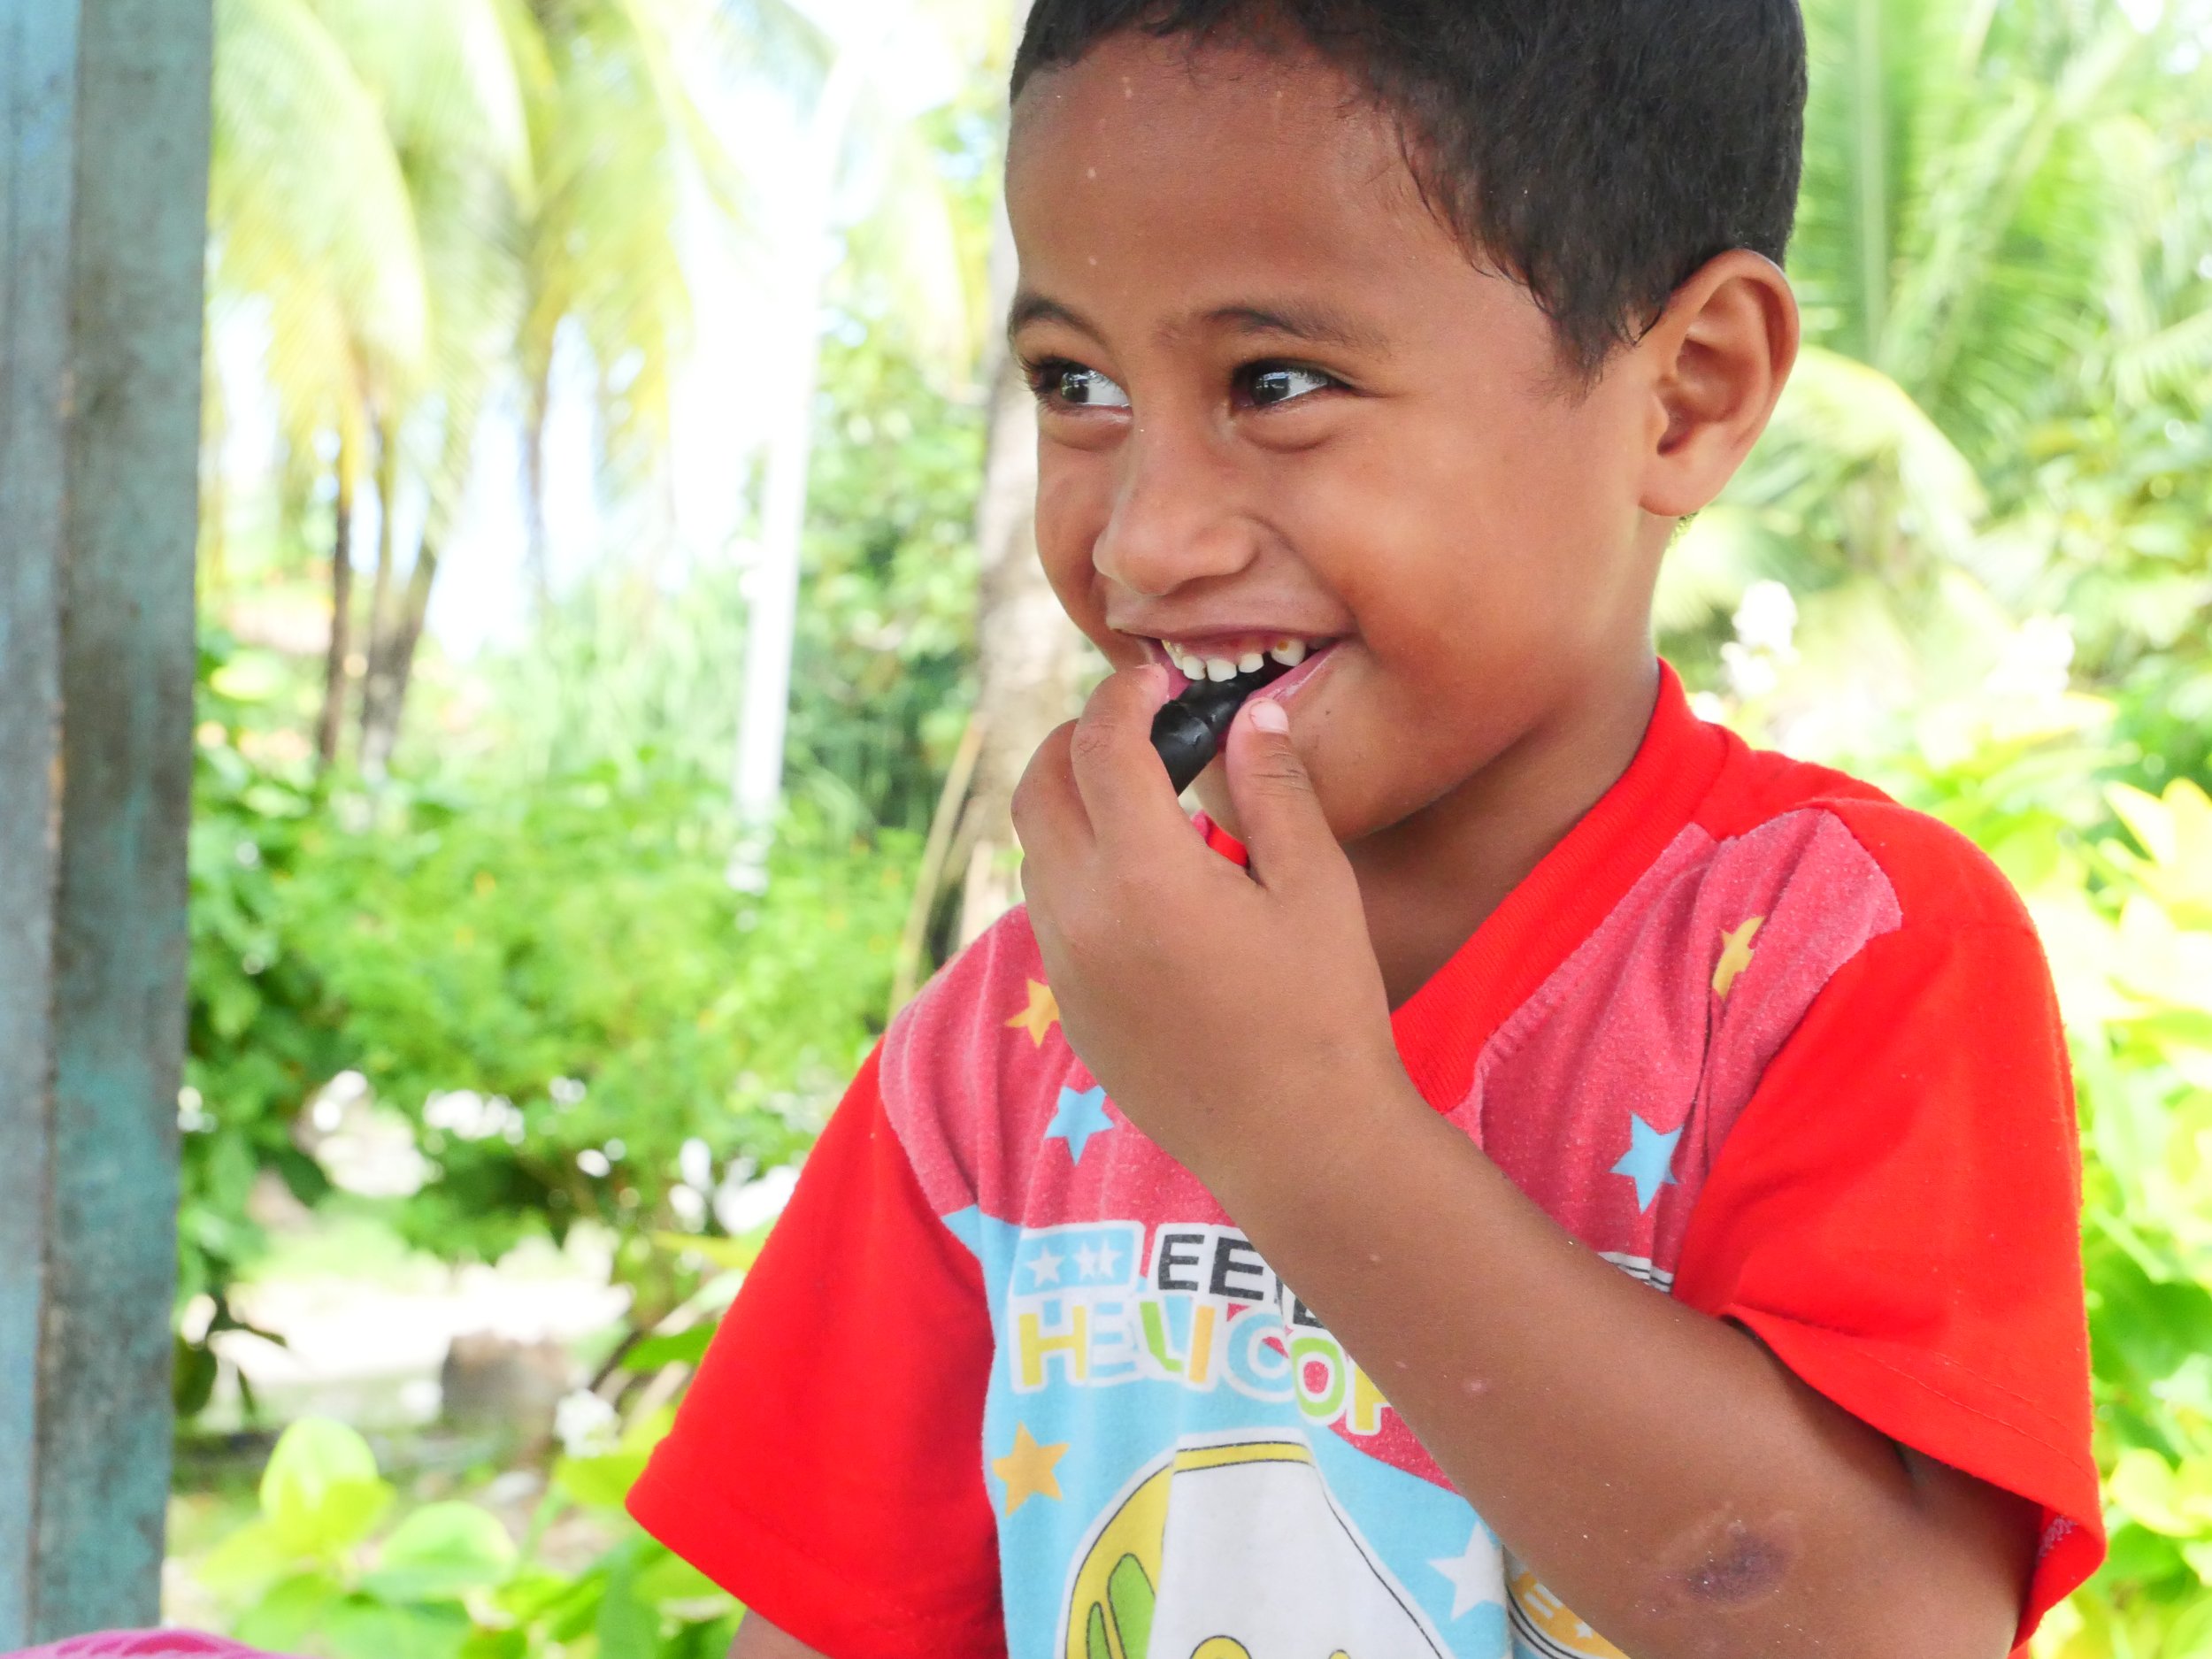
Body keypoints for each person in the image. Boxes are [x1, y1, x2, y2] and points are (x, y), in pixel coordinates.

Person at [628, 4, 2104, 1655]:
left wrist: (1300, 1127)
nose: (1146, 537)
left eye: (1278, 382)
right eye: (1080, 384)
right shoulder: (1010, 1050)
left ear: (1686, 396)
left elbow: (1887, 1633)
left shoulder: (1831, 959)